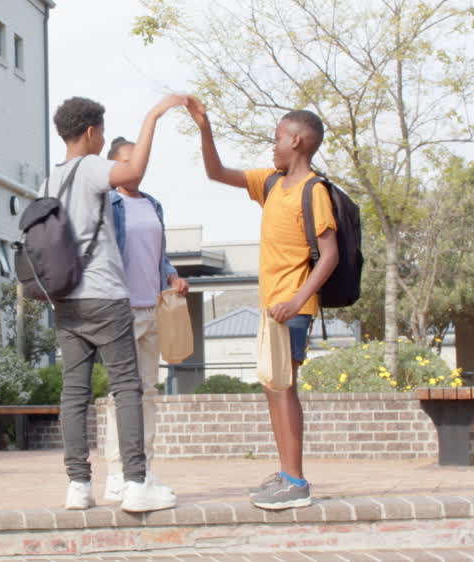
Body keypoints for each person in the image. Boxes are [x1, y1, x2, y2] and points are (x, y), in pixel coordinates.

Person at [184, 98, 339, 510]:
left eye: (276, 138)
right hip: (273, 310)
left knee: (284, 389)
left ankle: (297, 482)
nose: (272, 146)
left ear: (297, 140)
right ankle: (287, 474)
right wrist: (204, 127)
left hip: (293, 310)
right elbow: (216, 172)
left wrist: (297, 299)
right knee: (275, 388)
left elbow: (330, 255)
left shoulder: (313, 191)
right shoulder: (271, 182)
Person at [43, 95, 185, 513]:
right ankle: (136, 483)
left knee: (74, 392)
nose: (102, 138)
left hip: (66, 300)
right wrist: (153, 115)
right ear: (90, 132)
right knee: (127, 387)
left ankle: (78, 486)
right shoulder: (89, 167)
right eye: (101, 131)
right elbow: (134, 170)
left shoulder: (49, 179)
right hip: (104, 295)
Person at [100, 136, 189, 503]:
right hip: (121, 309)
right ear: (113, 166)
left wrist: (172, 276)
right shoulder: (108, 203)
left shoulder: (153, 205)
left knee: (148, 393)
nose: (135, 167)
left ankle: (144, 469)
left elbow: (159, 255)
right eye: (127, 161)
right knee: (121, 394)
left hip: (153, 308)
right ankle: (117, 473)